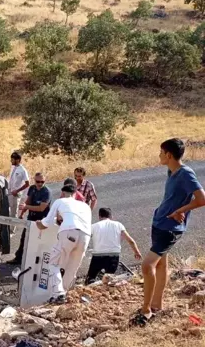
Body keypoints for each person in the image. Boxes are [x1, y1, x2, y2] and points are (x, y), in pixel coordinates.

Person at [132, 138, 205, 326]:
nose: (159, 155)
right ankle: (157, 304)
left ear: (169, 155)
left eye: (161, 152)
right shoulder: (171, 171)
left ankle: (145, 310)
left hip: (170, 229)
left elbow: (201, 199)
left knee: (147, 266)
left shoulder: (185, 173)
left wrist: (181, 211)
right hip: (159, 223)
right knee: (160, 266)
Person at [36, 184, 92, 304]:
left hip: (68, 232)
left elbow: (46, 223)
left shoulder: (60, 201)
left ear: (62, 193)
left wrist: (38, 224)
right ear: (75, 194)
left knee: (53, 263)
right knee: (72, 267)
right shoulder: (85, 206)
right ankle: (63, 294)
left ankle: (59, 294)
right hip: (86, 236)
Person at [86, 208, 142, 284]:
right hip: (113, 256)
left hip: (97, 256)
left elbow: (85, 240)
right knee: (109, 280)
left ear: (99, 216)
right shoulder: (118, 225)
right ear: (111, 216)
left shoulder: (93, 226)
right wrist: (137, 252)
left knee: (90, 278)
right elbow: (130, 241)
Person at [9, 172, 51, 265]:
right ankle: (19, 258)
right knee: (24, 238)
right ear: (34, 180)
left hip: (41, 220)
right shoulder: (32, 188)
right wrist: (22, 213)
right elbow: (28, 201)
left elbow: (41, 208)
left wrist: (26, 207)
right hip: (31, 217)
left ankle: (35, 262)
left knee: (38, 241)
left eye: (42, 182)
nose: (40, 184)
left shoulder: (46, 192)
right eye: (38, 181)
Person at [8, 152, 30, 225]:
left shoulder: (22, 170)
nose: (11, 161)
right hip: (10, 192)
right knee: (9, 210)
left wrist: (17, 191)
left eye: (12, 159)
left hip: (16, 194)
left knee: (14, 212)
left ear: (18, 160)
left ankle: (12, 230)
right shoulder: (13, 167)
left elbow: (27, 184)